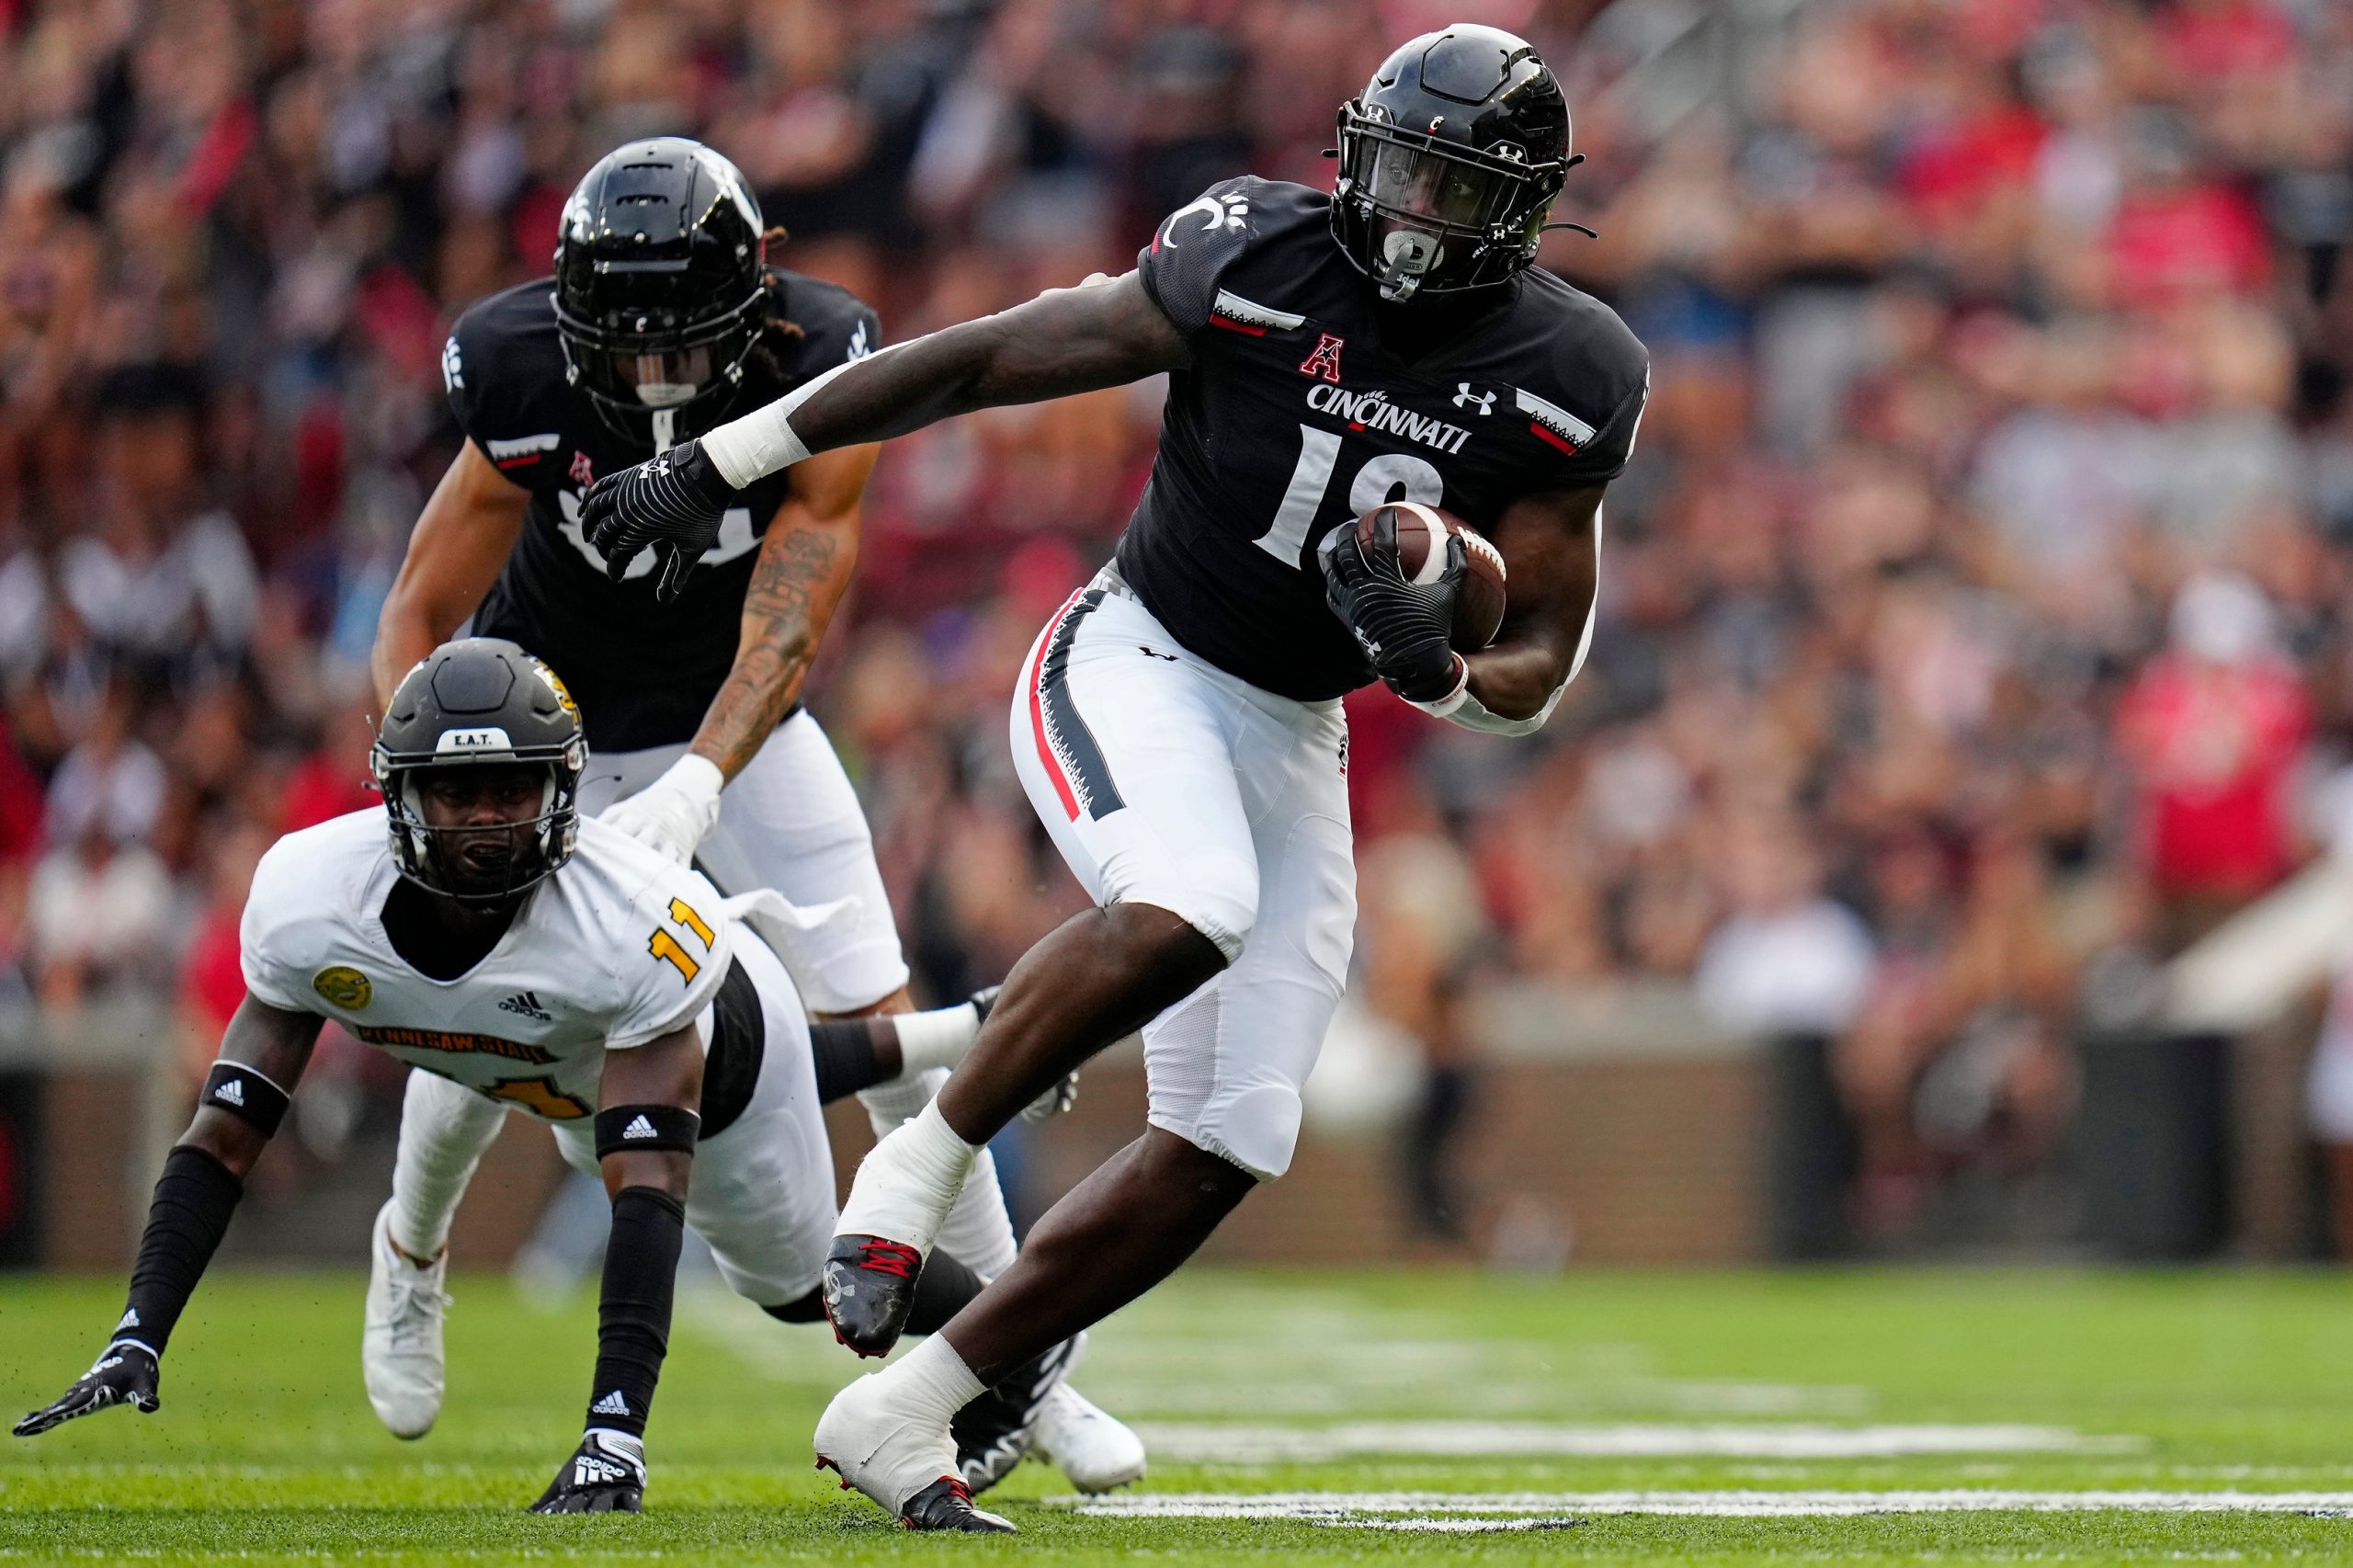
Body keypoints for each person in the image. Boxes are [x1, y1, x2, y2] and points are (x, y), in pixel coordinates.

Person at [581, 26, 1649, 1532]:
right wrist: (726, 459)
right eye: (1399, 169)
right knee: (1192, 898)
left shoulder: (1574, 369)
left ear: (1524, 211)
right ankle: (916, 1172)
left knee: (1239, 1132)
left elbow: (1535, 661)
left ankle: (913, 1404)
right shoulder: (1255, 252)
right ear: (1354, 153)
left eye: (1452, 187)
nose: (1412, 211)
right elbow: (987, 358)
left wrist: (1435, 672)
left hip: (1295, 724)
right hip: (1137, 652)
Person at [364, 139, 1127, 1491]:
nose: (654, 377)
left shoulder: (824, 355)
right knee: (478, 1003)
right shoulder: (524, 366)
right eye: (628, 345)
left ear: (756, 303)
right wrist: (418, 767)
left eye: (684, 346)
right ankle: (410, 1259)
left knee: (886, 1018)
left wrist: (703, 776)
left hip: (739, 719)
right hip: (547, 726)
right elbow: (422, 607)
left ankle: (1022, 1353)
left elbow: (797, 602)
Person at [9, 641, 1092, 1520]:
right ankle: (411, 1249)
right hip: (534, 1051)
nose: (486, 817)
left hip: (709, 1042)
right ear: (399, 800)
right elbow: (222, 1135)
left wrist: (610, 1434)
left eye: (510, 788)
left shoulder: (624, 921)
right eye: (457, 792)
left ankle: (1018, 1325)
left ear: (562, 787)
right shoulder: (310, 895)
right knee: (464, 1050)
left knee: (799, 1285)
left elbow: (647, 1183)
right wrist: (138, 1328)